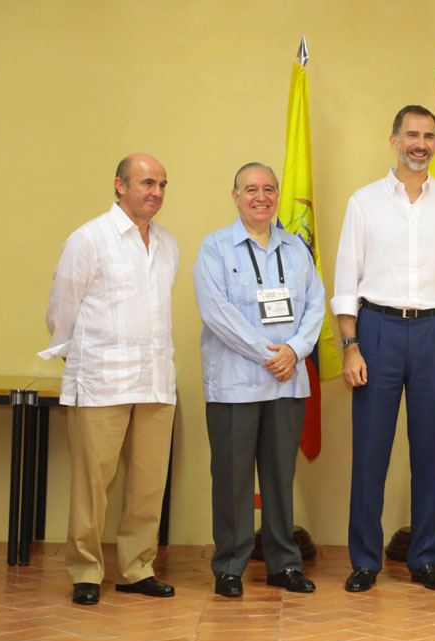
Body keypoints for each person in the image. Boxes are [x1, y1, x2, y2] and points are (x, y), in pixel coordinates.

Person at [332, 105, 435, 592]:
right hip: (377, 331)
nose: (421, 143)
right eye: (411, 135)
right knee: (370, 452)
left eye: (429, 136)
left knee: (431, 454)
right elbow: (345, 282)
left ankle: (424, 558)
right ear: (393, 139)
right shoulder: (365, 202)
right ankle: (365, 561)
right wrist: (350, 347)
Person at [41, 153, 178, 606]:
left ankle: (136, 569)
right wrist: (71, 354)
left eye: (160, 184)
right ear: (120, 185)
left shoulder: (168, 244)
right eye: (145, 183)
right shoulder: (89, 239)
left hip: (155, 380)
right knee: (91, 484)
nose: (155, 192)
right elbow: (63, 306)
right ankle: (85, 570)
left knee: (147, 484)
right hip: (101, 379)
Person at [193, 163, 325, 597]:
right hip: (235, 384)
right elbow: (217, 314)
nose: (261, 197)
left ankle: (283, 563)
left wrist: (295, 350)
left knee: (278, 478)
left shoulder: (296, 249)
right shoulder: (216, 248)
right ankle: (229, 566)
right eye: (251, 189)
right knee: (232, 479)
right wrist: (269, 354)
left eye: (269, 189)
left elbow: (315, 305)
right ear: (235, 196)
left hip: (287, 383)